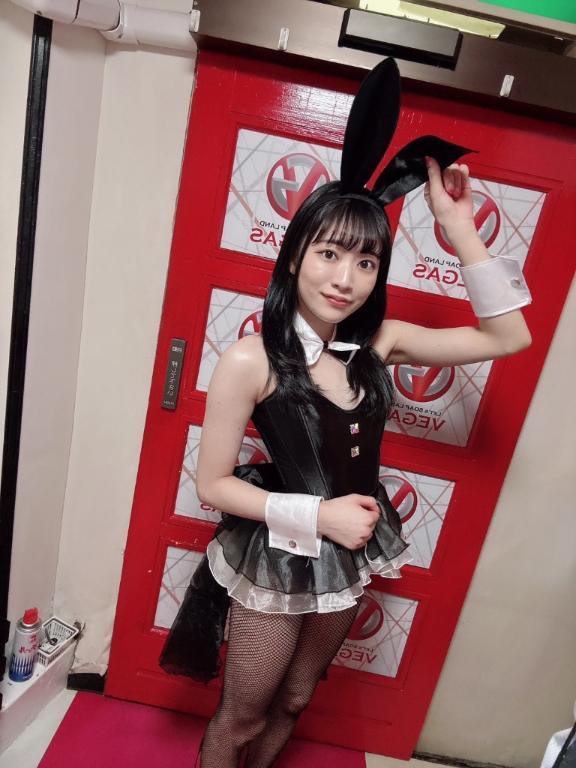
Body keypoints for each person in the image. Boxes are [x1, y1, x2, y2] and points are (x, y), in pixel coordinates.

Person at [159, 59, 533, 768]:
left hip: (350, 550)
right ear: (293, 255)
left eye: (366, 262)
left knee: (296, 700)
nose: (345, 278)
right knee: (243, 714)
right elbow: (212, 485)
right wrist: (319, 516)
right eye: (329, 253)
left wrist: (457, 228)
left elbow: (508, 336)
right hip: (279, 552)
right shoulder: (250, 359)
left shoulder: (379, 341)